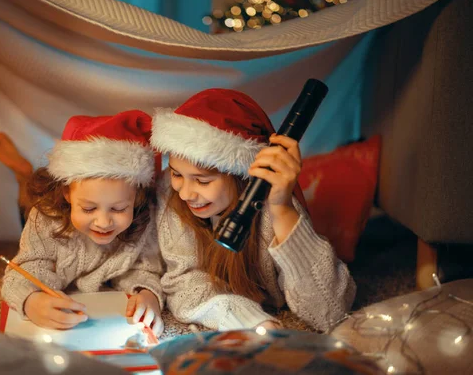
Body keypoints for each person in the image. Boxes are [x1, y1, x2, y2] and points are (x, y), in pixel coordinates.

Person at [150, 88, 356, 332]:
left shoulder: (271, 209)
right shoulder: (171, 196)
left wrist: (283, 211)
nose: (185, 193)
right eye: (176, 174)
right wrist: (249, 320)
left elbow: (331, 311)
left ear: (241, 175)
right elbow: (184, 283)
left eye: (203, 181)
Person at [1, 110, 165, 335]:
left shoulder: (142, 218)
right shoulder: (45, 217)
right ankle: (22, 175)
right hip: (47, 219)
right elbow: (24, 270)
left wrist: (148, 295)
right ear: (67, 193)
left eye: (119, 208)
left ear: (136, 198)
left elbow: (144, 269)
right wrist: (31, 302)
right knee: (25, 203)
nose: (103, 221)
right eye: (88, 208)